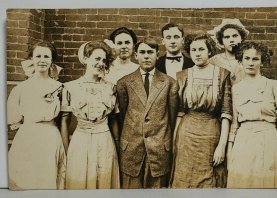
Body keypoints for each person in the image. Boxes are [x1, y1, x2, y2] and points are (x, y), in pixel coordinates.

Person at [227, 41, 277, 188]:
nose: (250, 63)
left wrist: (267, 125)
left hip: (268, 141)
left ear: (262, 62)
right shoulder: (236, 89)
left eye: (255, 59)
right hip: (243, 142)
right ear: (240, 61)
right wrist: (229, 151)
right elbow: (234, 125)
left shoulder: (274, 86)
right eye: (247, 58)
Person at [170, 33, 232, 188]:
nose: (197, 53)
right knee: (184, 177)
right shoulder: (182, 76)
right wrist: (174, 140)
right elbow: (180, 111)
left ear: (209, 51)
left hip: (211, 133)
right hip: (187, 133)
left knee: (210, 178)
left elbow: (226, 113)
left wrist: (221, 146)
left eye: (201, 49)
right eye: (193, 50)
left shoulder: (223, 74)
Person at [116, 37, 178, 188]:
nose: (146, 56)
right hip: (132, 147)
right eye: (142, 52)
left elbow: (172, 116)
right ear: (135, 55)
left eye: (150, 52)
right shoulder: (124, 82)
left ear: (157, 55)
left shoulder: (169, 83)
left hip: (159, 148)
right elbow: (122, 115)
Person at [60, 41, 120, 189]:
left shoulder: (111, 88)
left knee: (104, 179)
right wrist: (66, 151)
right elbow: (64, 122)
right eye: (97, 58)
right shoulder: (70, 87)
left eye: (104, 60)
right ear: (86, 59)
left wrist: (117, 146)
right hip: (80, 140)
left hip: (104, 140)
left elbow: (113, 120)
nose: (101, 63)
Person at [7, 41, 66, 190]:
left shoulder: (58, 87)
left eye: (46, 56)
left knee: (47, 178)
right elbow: (13, 118)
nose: (42, 60)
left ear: (51, 60)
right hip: (28, 137)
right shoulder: (21, 88)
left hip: (50, 138)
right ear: (31, 59)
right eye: (38, 56)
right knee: (27, 179)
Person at [209, 18, 249, 85]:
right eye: (227, 37)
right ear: (221, 42)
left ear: (241, 38)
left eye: (235, 36)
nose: (231, 40)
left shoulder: (249, 58)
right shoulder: (213, 61)